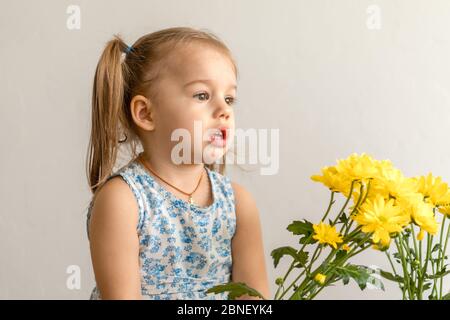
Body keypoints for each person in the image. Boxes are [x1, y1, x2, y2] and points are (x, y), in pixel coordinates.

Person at [85, 27, 269, 300]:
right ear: (146, 113)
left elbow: (253, 299)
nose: (225, 110)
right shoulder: (123, 201)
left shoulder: (238, 204)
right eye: (202, 95)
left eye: (229, 98)